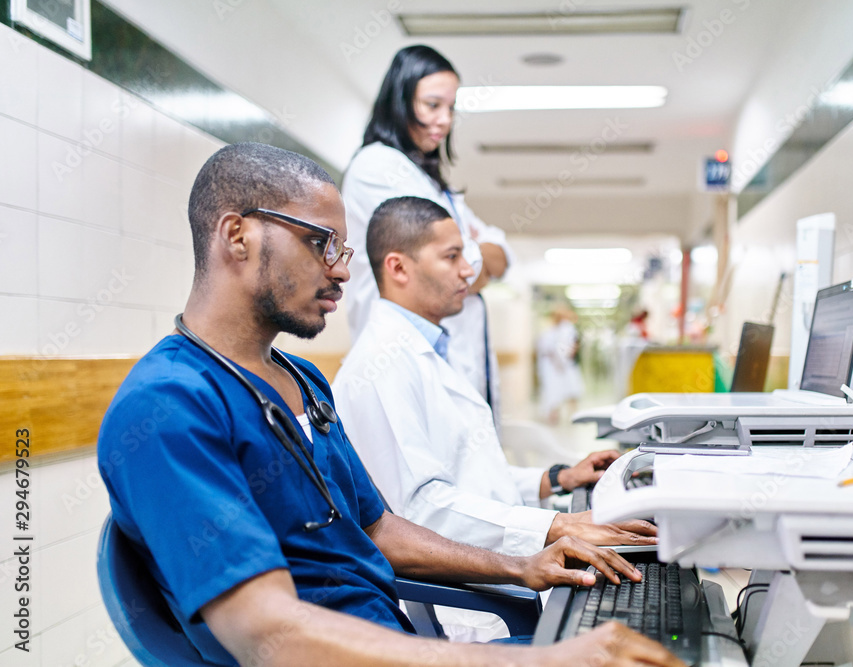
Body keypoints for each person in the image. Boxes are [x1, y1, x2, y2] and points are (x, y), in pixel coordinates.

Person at [97, 143, 681, 666]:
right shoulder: (169, 407)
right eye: (322, 243)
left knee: (666, 642)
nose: (344, 270)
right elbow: (268, 633)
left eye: (344, 248)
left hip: (389, 640)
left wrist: (523, 563)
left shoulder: (302, 380)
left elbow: (377, 528)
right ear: (237, 235)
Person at [333, 196, 656, 555]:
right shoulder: (381, 365)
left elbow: (471, 477)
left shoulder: (426, 350)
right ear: (398, 268)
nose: (468, 271)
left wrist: (556, 478)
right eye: (451, 257)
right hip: (467, 593)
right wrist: (558, 525)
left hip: (498, 558)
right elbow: (423, 512)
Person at [341, 44, 509, 428]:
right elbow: (463, 269)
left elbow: (502, 254)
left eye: (451, 108)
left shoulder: (434, 185)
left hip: (449, 367)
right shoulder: (378, 167)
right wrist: (478, 252)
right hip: (402, 365)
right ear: (400, 102)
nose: (444, 120)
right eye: (432, 105)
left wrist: (481, 252)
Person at [536, 306, 585, 425]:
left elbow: (569, 347)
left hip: (564, 366)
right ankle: (554, 415)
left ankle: (573, 415)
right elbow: (545, 349)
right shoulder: (549, 332)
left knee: (571, 390)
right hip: (551, 367)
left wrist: (563, 359)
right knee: (554, 392)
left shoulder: (567, 329)